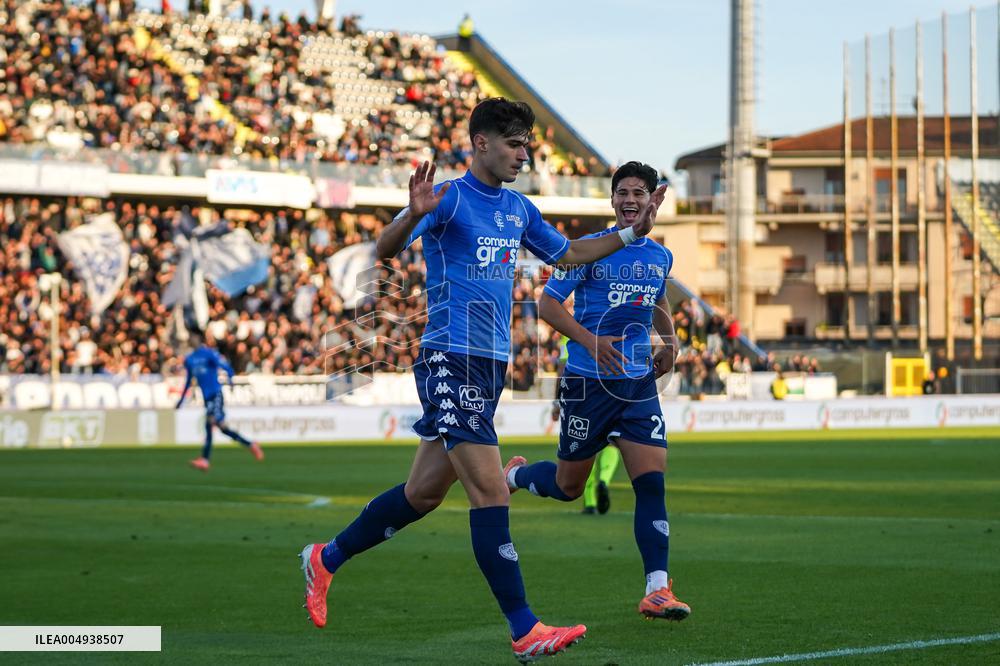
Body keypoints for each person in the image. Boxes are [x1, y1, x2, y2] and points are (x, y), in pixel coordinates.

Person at [300, 99, 665, 662]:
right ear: (482, 144)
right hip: (450, 357)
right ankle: (524, 629)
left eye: (526, 144)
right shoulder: (447, 197)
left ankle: (326, 558)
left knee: (422, 494)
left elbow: (568, 255)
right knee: (492, 489)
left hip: (489, 365)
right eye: (515, 144)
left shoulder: (517, 209)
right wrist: (408, 213)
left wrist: (626, 231)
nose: (524, 154)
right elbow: (385, 249)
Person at [503, 160, 690, 622]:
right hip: (587, 382)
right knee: (569, 487)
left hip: (636, 384)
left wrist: (669, 341)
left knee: (652, 481)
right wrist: (590, 341)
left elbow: (659, 299)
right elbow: (547, 304)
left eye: (638, 193)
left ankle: (658, 588)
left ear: (652, 200)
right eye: (622, 192)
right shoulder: (591, 249)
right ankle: (516, 477)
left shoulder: (660, 256)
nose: (630, 200)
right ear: (612, 200)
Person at [175, 329, 263, 470]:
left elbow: (225, 366)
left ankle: (205, 459)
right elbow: (188, 381)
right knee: (221, 427)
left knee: (210, 421)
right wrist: (181, 400)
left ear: (198, 338)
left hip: (216, 394)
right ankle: (250, 444)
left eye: (193, 337)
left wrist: (231, 379)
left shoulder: (208, 354)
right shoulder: (190, 359)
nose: (191, 340)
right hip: (206, 397)